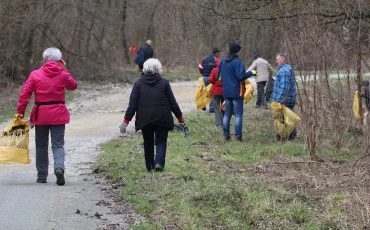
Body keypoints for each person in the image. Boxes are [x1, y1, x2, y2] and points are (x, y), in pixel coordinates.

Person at [16, 47, 78, 185]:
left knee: (41, 146)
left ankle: (42, 176)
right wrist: (64, 69)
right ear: (59, 60)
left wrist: (20, 113)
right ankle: (59, 168)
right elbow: (73, 85)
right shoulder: (62, 74)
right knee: (58, 145)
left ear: (45, 59)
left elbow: (24, 95)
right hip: (58, 114)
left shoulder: (35, 74)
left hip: (41, 115)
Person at [119, 58, 185, 172]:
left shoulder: (138, 84)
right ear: (158, 69)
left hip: (145, 119)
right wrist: (180, 119)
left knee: (148, 142)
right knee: (161, 142)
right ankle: (159, 163)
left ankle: (149, 167)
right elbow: (173, 103)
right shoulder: (164, 83)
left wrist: (125, 122)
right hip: (162, 117)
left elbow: (132, 105)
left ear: (144, 69)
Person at [217, 42, 255, 141]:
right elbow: (240, 76)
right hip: (237, 92)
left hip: (226, 92)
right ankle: (238, 136)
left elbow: (218, 76)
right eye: (239, 51)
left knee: (227, 114)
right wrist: (251, 72)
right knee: (238, 114)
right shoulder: (237, 62)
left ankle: (226, 135)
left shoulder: (222, 61)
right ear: (237, 51)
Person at [270, 53, 297, 141]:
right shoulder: (285, 69)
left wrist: (279, 100)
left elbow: (284, 87)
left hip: (285, 99)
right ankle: (290, 136)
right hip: (288, 98)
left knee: (283, 118)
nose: (276, 61)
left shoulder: (284, 71)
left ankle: (283, 136)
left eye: (278, 59)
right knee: (289, 117)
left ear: (283, 59)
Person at [198, 48, 221, 112]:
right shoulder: (217, 60)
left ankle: (203, 105)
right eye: (218, 53)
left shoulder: (204, 58)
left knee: (205, 91)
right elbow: (218, 69)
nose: (219, 54)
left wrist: (203, 73)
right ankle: (211, 108)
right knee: (212, 92)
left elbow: (200, 67)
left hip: (204, 77)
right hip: (211, 78)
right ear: (216, 53)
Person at [208, 61, 224, 126]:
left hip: (216, 91)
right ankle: (225, 121)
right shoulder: (227, 69)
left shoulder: (214, 70)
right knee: (224, 107)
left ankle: (218, 123)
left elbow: (210, 79)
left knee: (216, 108)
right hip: (225, 91)